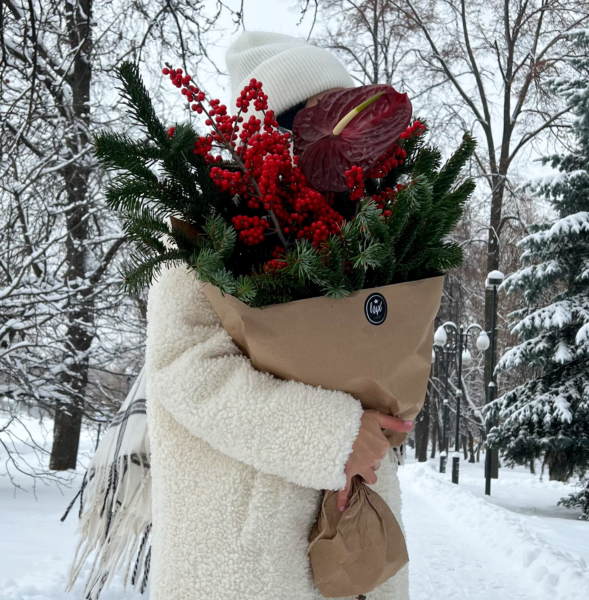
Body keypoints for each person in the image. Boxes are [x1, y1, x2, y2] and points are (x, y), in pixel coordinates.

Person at [145, 31, 413, 600]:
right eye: (320, 126)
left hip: (355, 557)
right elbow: (189, 374)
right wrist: (336, 436)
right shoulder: (201, 252)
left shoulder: (365, 251)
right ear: (280, 135)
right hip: (245, 569)